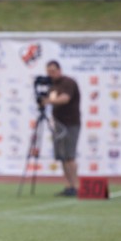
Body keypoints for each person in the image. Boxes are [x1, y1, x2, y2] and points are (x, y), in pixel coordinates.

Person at [40, 60, 81, 197]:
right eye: (48, 72)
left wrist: (48, 101)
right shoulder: (53, 85)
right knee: (62, 157)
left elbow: (65, 99)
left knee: (70, 156)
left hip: (70, 124)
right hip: (58, 124)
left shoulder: (67, 82)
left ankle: (76, 186)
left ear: (59, 70)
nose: (51, 74)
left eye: (53, 71)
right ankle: (69, 185)